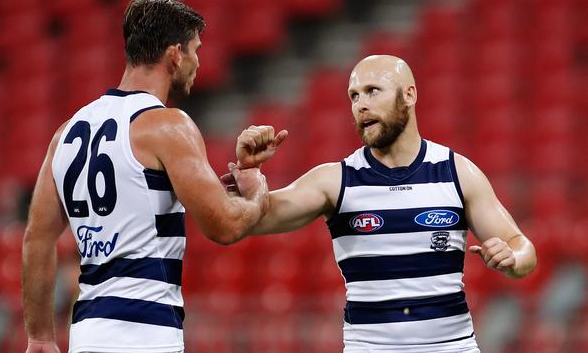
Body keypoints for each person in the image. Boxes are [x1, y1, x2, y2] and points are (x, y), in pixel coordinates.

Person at [22, 0, 285, 353]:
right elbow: (225, 225)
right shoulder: (168, 125)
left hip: (87, 333)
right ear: (175, 55)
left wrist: (39, 337)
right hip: (146, 333)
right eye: (195, 50)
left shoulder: (66, 132)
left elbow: (37, 240)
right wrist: (257, 193)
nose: (198, 63)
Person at [226, 55, 537, 352]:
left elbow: (522, 248)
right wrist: (249, 175)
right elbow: (247, 219)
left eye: (372, 91)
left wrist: (512, 258)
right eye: (354, 96)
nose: (361, 104)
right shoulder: (336, 181)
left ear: (409, 94)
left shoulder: (458, 173)